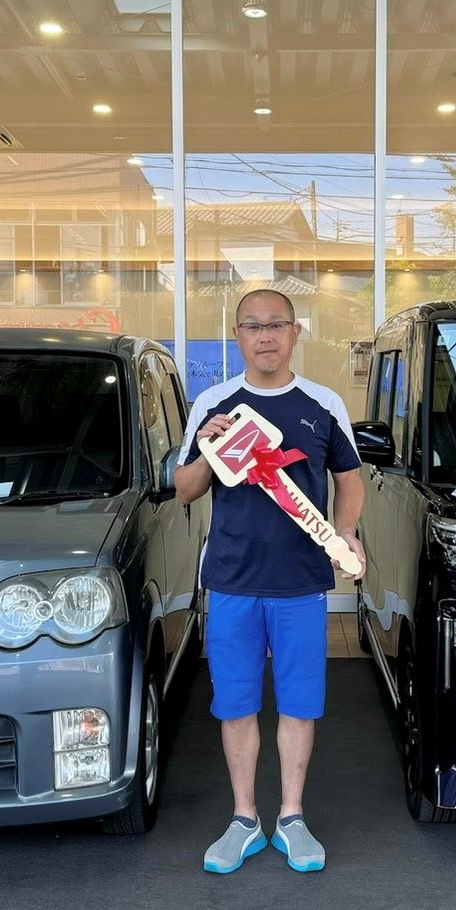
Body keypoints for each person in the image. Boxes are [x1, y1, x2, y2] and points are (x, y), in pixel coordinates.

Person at [174, 288, 366, 875]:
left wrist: (346, 533)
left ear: (295, 333)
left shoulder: (323, 403)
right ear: (237, 336)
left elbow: (349, 480)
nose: (265, 336)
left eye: (276, 325)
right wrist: (210, 446)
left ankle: (291, 816)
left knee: (299, 705)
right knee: (235, 704)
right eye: (253, 326)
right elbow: (184, 490)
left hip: (301, 582)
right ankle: (243, 819)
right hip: (232, 579)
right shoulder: (213, 402)